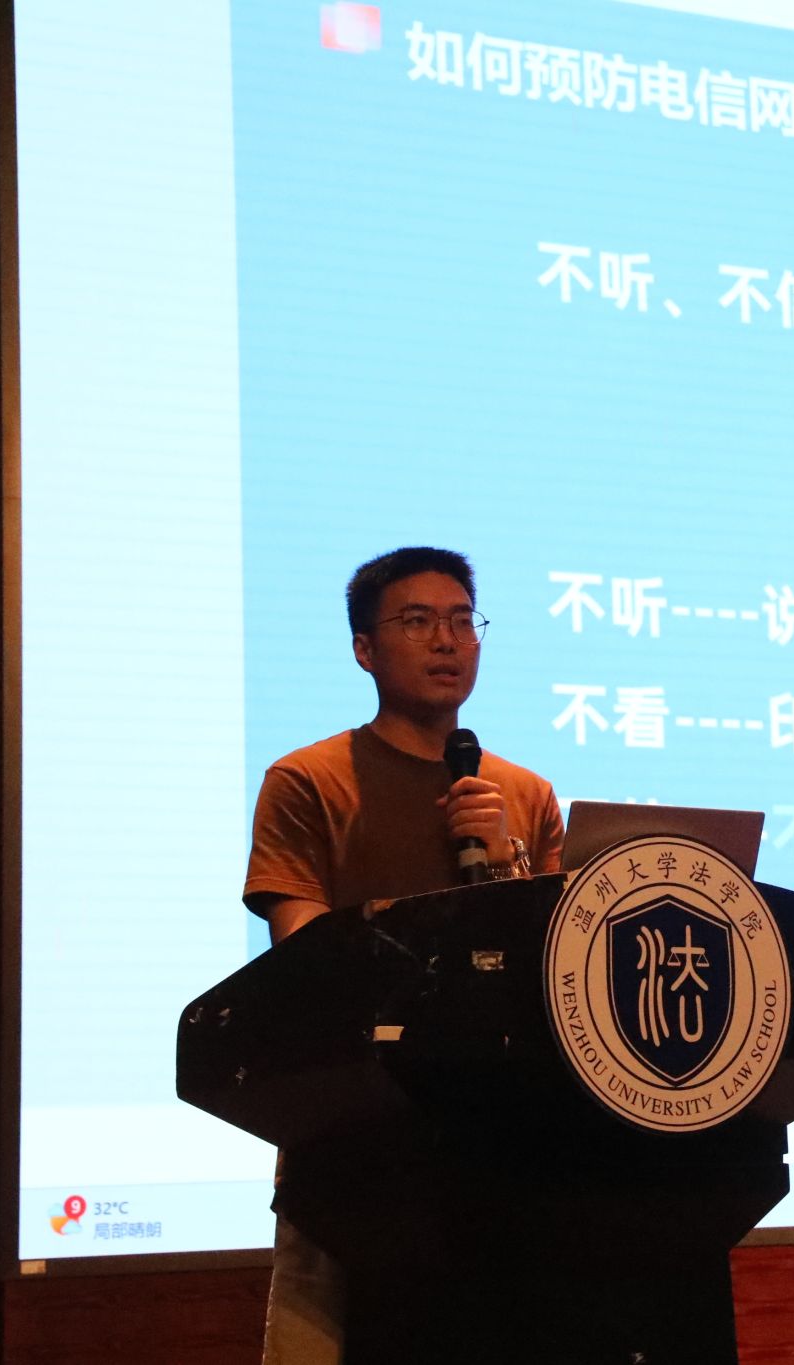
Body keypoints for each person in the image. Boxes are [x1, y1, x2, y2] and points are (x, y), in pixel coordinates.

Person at [242, 546, 565, 1364]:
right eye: (417, 621)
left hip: (500, 1136)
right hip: (351, 1132)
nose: (447, 640)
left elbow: (554, 965)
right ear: (364, 648)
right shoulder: (309, 779)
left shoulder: (522, 794)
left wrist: (505, 856)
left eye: (462, 621)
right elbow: (303, 951)